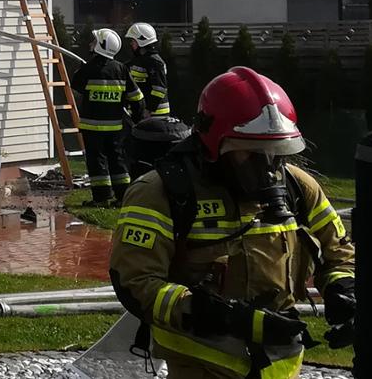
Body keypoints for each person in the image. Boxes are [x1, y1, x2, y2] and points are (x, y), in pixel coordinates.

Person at [110, 67, 355, 378]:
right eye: (251, 152)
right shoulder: (160, 193)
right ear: (215, 145)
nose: (267, 167)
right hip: (200, 364)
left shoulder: (298, 187)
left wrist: (344, 292)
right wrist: (219, 316)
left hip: (281, 367)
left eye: (275, 151)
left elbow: (339, 253)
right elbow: (136, 283)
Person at [71, 29, 143, 206]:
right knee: (117, 161)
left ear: (101, 46)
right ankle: (123, 197)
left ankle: (102, 198)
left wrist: (81, 69)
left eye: (94, 41)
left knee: (97, 162)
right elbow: (137, 98)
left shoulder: (88, 69)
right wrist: (137, 119)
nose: (91, 44)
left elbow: (76, 85)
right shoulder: (121, 69)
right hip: (115, 128)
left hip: (92, 128)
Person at [126, 23, 172, 120]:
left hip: (155, 115)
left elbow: (159, 89)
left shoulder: (155, 62)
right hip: (143, 113)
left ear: (141, 41)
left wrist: (148, 110)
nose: (131, 44)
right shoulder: (139, 60)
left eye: (133, 41)